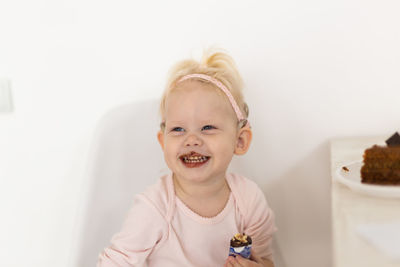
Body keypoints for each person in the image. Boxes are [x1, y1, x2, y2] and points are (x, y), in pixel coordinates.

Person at [97, 48, 277, 267]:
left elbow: (265, 260)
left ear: (240, 141)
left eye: (207, 128)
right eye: (178, 130)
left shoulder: (248, 200)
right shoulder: (155, 208)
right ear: (163, 142)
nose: (191, 140)